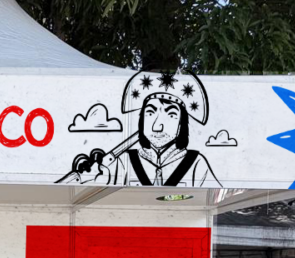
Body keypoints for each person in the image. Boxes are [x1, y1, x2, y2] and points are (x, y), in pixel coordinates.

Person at [71, 71, 222, 188]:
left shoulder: (196, 164)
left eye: (171, 115)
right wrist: (93, 174)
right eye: (150, 113)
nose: (157, 126)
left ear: (182, 124)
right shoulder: (124, 162)